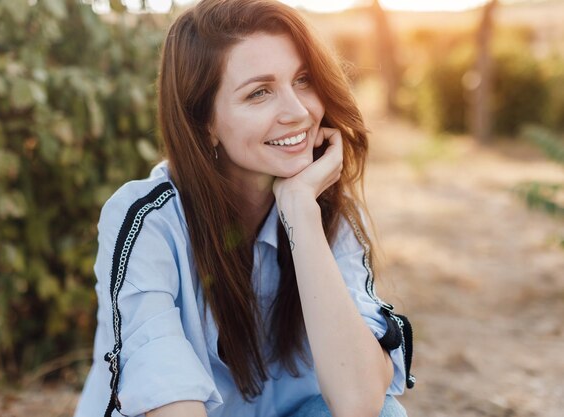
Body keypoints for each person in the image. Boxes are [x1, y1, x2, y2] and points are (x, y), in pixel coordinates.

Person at [73, 0, 415, 416]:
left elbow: (360, 403)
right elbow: (169, 406)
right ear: (205, 124)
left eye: (303, 80)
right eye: (259, 93)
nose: (298, 112)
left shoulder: (327, 212)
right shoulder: (149, 220)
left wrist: (300, 215)